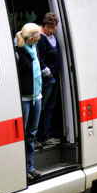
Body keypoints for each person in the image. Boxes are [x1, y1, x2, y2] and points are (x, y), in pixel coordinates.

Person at [15, 23, 43, 180]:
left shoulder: (34, 48)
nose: (40, 37)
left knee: (31, 133)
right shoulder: (18, 53)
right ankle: (21, 168)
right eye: (38, 35)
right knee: (22, 134)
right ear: (31, 38)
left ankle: (30, 166)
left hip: (36, 96)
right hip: (24, 98)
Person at [37, 12, 61, 146]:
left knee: (50, 107)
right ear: (44, 25)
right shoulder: (41, 38)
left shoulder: (51, 36)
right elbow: (39, 59)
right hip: (47, 79)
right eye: (49, 27)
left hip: (54, 77)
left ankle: (46, 134)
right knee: (44, 107)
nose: (52, 30)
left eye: (54, 27)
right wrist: (48, 72)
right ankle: (42, 136)